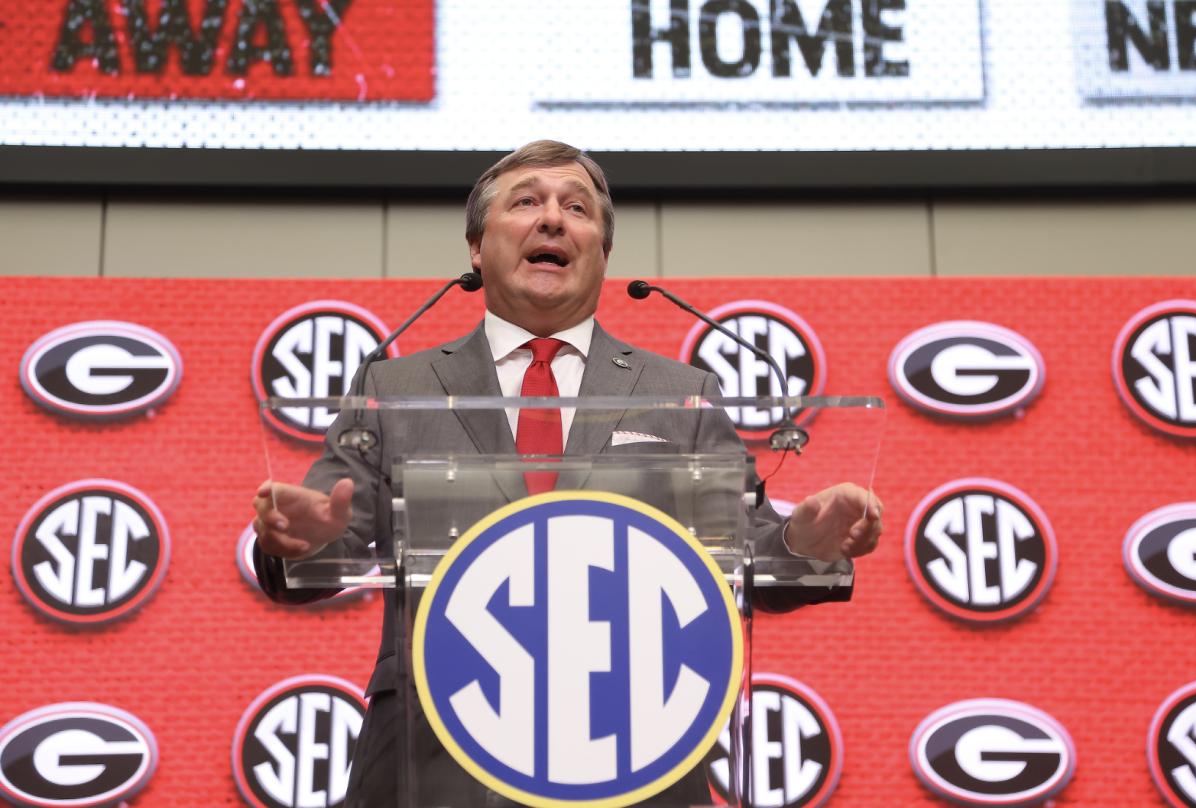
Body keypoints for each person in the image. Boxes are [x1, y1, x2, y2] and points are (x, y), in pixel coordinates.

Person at [252, 140, 883, 807]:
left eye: (576, 208)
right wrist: (301, 539)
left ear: (602, 254)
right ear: (476, 246)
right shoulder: (393, 386)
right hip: (435, 754)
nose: (552, 219)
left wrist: (801, 545)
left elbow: (750, 557)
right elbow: (325, 549)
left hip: (634, 749)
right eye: (527, 201)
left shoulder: (681, 394)